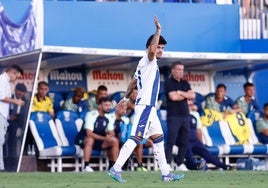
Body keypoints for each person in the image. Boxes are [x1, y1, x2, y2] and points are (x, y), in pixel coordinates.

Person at [108, 17, 184, 182]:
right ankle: (115, 168)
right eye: (159, 47)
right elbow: (151, 52)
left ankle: (166, 174)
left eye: (162, 48)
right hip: (145, 106)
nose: (160, 51)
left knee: (158, 138)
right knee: (135, 137)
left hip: (150, 108)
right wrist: (158, 30)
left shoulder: (143, 63)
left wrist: (124, 98)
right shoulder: (149, 59)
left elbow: (133, 82)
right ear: (152, 47)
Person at [184, 99, 233, 171]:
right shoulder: (179, 115)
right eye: (188, 105)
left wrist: (201, 143)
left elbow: (198, 130)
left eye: (191, 105)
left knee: (207, 154)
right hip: (185, 141)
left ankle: (224, 166)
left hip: (195, 141)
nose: (190, 107)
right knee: (189, 156)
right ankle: (195, 166)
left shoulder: (195, 114)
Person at [164, 61, 195, 171]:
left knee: (184, 141)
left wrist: (180, 92)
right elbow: (173, 97)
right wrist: (185, 95)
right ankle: (166, 163)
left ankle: (180, 163)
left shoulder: (185, 83)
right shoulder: (168, 82)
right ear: (173, 70)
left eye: (182, 70)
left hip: (185, 116)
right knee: (171, 140)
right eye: (178, 70)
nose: (181, 72)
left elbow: (192, 95)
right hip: (173, 116)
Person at [83, 97, 119, 172]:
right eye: (106, 105)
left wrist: (110, 135)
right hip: (86, 140)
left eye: (109, 105)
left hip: (101, 141)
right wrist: (105, 138)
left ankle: (114, 166)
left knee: (114, 140)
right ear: (100, 106)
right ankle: (86, 166)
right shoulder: (91, 114)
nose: (108, 107)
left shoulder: (108, 117)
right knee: (90, 140)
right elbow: (89, 133)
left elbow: (112, 132)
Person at [0, 65, 24, 171]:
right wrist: (16, 101)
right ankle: (0, 167)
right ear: (12, 72)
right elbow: (2, 97)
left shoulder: (5, 82)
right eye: (16, 77)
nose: (15, 80)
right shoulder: (2, 79)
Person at [5, 83, 29, 170]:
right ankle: (8, 158)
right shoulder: (9, 98)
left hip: (18, 124)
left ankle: (13, 159)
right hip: (6, 121)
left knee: (14, 127)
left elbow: (24, 116)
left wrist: (16, 118)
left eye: (22, 92)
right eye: (19, 91)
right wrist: (9, 116)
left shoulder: (26, 102)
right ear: (15, 90)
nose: (20, 93)